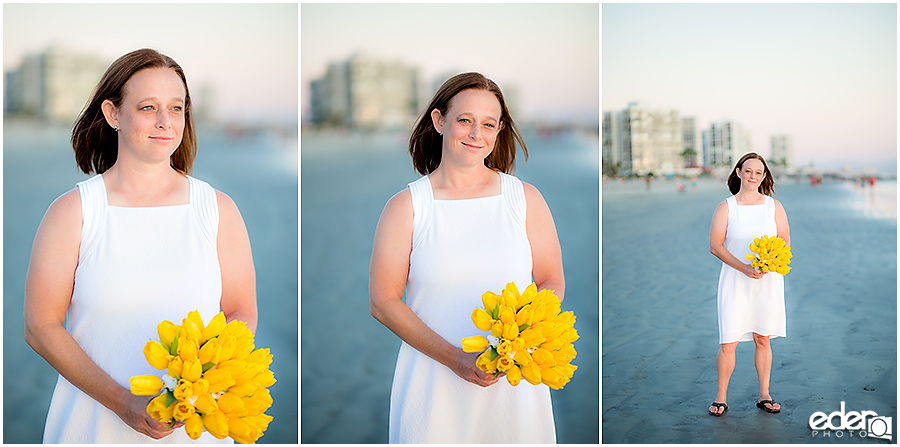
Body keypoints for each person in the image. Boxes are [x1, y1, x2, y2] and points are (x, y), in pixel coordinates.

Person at [23, 48, 257, 443]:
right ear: (113, 114)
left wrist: (197, 380)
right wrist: (122, 402)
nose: (166, 122)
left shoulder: (217, 209)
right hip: (94, 425)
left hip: (194, 426)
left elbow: (241, 312)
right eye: (148, 107)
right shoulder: (74, 212)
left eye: (176, 108)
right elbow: (40, 326)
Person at [368, 72, 564, 443]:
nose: (476, 134)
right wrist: (456, 358)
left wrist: (519, 337)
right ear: (439, 121)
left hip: (514, 382)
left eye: (488, 124)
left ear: (499, 130)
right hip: (432, 386)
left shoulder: (525, 199)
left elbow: (551, 281)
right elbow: (383, 301)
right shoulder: (407, 207)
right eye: (464, 120)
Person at [707, 152, 789, 417]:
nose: (753, 176)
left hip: (768, 280)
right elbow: (715, 246)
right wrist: (744, 267)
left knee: (762, 338)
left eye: (758, 172)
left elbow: (785, 242)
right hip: (735, 280)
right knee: (728, 341)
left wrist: (768, 265)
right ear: (739, 172)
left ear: (764, 177)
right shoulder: (726, 207)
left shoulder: (773, 206)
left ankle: (764, 394)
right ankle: (721, 397)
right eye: (748, 170)